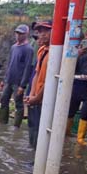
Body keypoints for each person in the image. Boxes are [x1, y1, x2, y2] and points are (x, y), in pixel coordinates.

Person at [0, 24, 34, 127]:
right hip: (9, 80)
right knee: (3, 100)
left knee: (18, 104)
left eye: (21, 33)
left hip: (18, 82)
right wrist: (3, 80)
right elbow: (9, 64)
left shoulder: (28, 49)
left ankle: (16, 127)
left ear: (26, 34)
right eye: (17, 33)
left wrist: (22, 86)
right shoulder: (13, 47)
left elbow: (28, 68)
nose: (18, 35)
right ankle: (2, 124)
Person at [25, 20, 52, 151]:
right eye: (40, 31)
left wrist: (37, 97)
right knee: (34, 126)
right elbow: (37, 73)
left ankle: (39, 158)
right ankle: (34, 155)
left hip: (47, 100)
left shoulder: (57, 52)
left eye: (46, 30)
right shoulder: (41, 50)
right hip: (37, 97)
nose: (42, 34)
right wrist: (32, 94)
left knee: (43, 130)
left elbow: (51, 80)